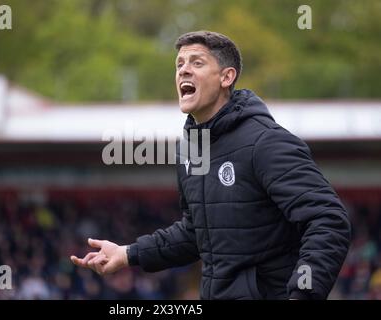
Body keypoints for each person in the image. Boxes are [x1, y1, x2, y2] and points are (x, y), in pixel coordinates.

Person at [71, 31, 351, 300]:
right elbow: (196, 233)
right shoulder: (189, 150)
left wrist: (302, 294)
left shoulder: (267, 142)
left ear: (226, 77)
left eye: (197, 62)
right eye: (179, 64)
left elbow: (328, 220)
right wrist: (128, 253)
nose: (183, 70)